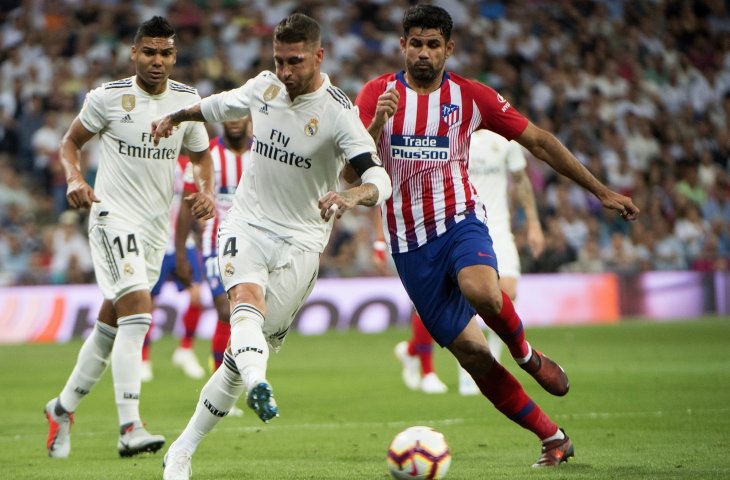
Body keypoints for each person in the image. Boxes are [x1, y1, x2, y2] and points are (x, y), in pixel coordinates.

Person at [356, 4, 638, 468]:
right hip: (409, 246)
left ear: (449, 48)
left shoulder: (471, 97)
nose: (423, 53)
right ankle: (553, 438)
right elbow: (352, 172)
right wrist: (373, 127)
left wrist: (601, 191)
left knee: (482, 289)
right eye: (415, 43)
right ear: (401, 45)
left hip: (460, 219)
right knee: (472, 354)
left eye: (433, 45)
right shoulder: (375, 94)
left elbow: (540, 142)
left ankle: (526, 355)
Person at [151, 13, 391, 480]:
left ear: (319, 56)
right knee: (245, 306)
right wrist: (175, 115)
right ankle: (260, 386)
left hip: (303, 240)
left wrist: (349, 195)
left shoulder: (338, 112)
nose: (285, 72)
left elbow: (377, 176)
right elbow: (218, 105)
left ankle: (182, 447)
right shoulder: (265, 87)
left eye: (295, 62)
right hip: (248, 222)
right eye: (279, 60)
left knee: (240, 355)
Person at [44, 16, 215, 459]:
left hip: (155, 227)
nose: (157, 61)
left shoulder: (186, 103)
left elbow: (201, 157)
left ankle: (61, 409)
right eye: (149, 52)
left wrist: (205, 191)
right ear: (133, 54)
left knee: (111, 325)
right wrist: (74, 178)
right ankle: (130, 427)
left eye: (166, 53)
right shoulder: (108, 98)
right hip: (110, 215)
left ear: (174, 56)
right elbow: (69, 143)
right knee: (139, 308)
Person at [394, 131, 546, 396]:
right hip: (456, 224)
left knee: (506, 292)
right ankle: (465, 371)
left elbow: (520, 181)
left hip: (496, 227)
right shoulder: (446, 135)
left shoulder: (503, 140)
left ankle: (490, 360)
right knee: (449, 297)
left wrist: (533, 222)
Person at [175, 117, 254, 416]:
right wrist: (182, 253)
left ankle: (237, 379)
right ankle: (221, 391)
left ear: (249, 119)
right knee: (224, 310)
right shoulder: (204, 156)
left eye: (240, 115)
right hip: (214, 242)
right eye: (228, 116)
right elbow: (186, 208)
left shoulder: (262, 153)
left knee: (248, 315)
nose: (234, 122)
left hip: (255, 244)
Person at [141, 153, 207, 383]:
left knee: (197, 295)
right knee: (149, 302)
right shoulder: (151, 161)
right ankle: (143, 359)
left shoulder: (188, 164)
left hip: (184, 241)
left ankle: (186, 349)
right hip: (156, 242)